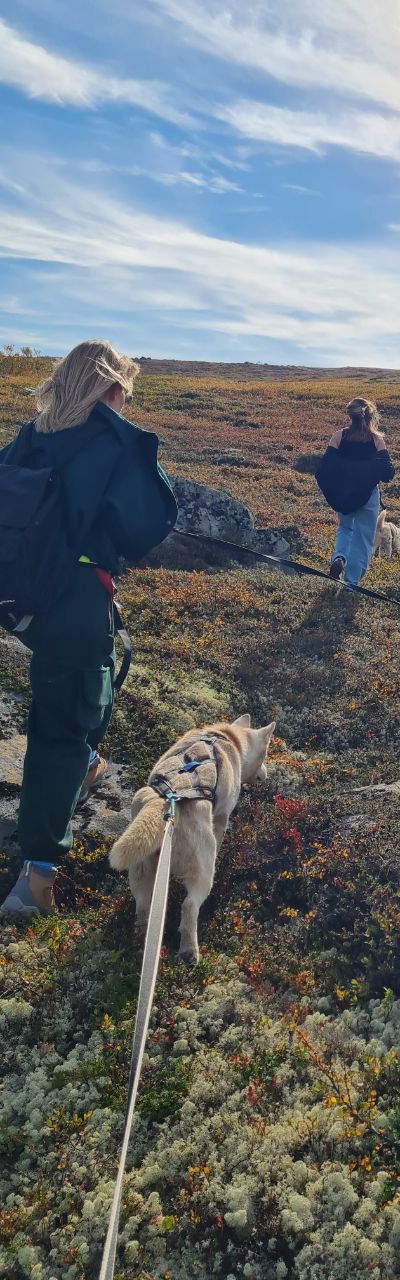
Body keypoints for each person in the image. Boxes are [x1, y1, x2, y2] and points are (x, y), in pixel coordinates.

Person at [0, 340, 178, 918]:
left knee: (89, 680)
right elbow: (145, 525)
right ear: (111, 386)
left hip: (25, 600)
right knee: (61, 720)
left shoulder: (31, 437)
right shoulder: (110, 441)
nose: (126, 400)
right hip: (75, 601)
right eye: (125, 389)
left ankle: (84, 763)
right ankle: (35, 879)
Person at [315, 397, 395, 585]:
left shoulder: (338, 436)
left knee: (345, 529)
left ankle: (339, 557)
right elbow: (388, 473)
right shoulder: (376, 440)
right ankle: (350, 585)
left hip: (344, 495)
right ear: (370, 416)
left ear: (350, 415)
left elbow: (323, 469)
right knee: (363, 538)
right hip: (368, 495)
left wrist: (334, 493)